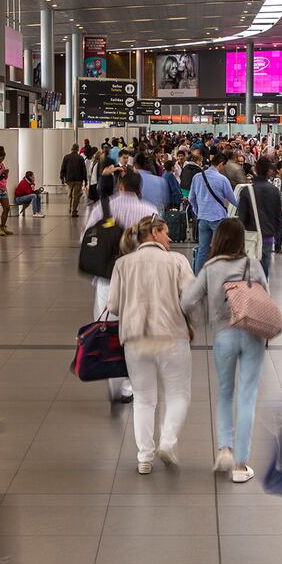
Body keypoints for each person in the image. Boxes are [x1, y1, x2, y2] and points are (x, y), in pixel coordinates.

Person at [180, 219, 267, 484]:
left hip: (223, 335)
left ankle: (225, 450)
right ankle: (241, 465)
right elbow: (267, 296)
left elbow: (186, 300)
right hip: (252, 333)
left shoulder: (211, 268)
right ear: (242, 240)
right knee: (248, 396)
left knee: (225, 394)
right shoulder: (253, 265)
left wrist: (204, 315)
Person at [107, 215, 195, 474]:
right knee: (178, 394)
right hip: (172, 335)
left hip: (135, 338)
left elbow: (112, 305)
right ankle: (167, 441)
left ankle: (144, 457)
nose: (170, 238)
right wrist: (192, 323)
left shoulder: (123, 264)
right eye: (166, 232)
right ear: (155, 232)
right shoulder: (177, 261)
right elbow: (190, 299)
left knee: (144, 400)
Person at [80, 172, 157, 403]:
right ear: (139, 188)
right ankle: (132, 383)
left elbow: (85, 237)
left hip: (108, 278)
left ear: (119, 186)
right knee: (136, 333)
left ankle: (117, 385)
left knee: (108, 328)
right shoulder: (150, 211)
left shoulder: (103, 208)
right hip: (140, 279)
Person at [188, 153, 238, 273]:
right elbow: (233, 200)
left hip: (202, 218)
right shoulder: (222, 179)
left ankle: (198, 277)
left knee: (202, 250)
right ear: (221, 164)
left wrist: (197, 210)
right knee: (219, 250)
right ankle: (217, 276)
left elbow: (191, 198)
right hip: (218, 219)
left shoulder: (197, 177)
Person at [237, 158, 282, 278]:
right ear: (269, 171)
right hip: (268, 237)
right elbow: (279, 217)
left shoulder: (247, 191)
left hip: (250, 237)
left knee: (249, 273)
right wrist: (275, 235)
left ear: (255, 170)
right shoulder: (274, 190)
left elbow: (242, 217)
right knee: (263, 272)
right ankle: (262, 293)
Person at [60, 144, 88, 217]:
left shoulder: (66, 157)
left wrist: (62, 178)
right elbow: (83, 170)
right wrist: (85, 180)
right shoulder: (80, 158)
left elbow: (63, 168)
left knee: (71, 195)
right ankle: (74, 211)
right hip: (78, 180)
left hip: (69, 180)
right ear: (78, 149)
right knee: (75, 195)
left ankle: (71, 208)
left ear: (71, 149)